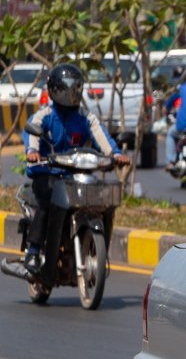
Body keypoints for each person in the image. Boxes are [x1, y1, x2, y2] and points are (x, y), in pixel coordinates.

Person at [21, 63, 129, 275]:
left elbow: (101, 136)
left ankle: (98, 251)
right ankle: (33, 250)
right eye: (65, 89)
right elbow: (32, 133)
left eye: (75, 88)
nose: (70, 94)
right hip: (47, 173)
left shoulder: (85, 116)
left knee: (102, 200)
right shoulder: (45, 115)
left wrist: (115, 155)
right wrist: (32, 152)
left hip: (73, 176)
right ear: (54, 89)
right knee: (46, 203)